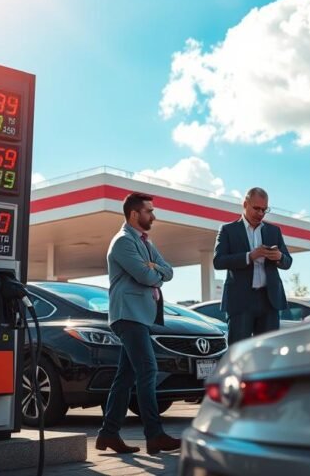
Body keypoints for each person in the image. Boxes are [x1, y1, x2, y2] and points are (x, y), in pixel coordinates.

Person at [96, 192, 181, 455]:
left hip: (139, 316)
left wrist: (155, 268)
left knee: (126, 377)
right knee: (148, 370)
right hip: (128, 315)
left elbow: (169, 269)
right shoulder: (123, 242)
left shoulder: (144, 241)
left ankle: (108, 434)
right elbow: (146, 275)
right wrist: (155, 270)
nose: (153, 216)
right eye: (149, 211)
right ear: (135, 214)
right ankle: (154, 435)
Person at [213, 187, 293, 345]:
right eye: (257, 208)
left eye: (265, 209)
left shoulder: (274, 231)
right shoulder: (228, 230)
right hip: (241, 301)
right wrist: (249, 256)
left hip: (269, 301)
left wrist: (279, 257)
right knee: (239, 352)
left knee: (268, 353)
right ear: (245, 204)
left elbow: (288, 261)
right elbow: (218, 261)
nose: (261, 213)